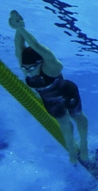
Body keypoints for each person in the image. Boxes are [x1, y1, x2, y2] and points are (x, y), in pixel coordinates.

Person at [8, 10, 89, 163]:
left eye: (31, 68)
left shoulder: (52, 67)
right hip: (50, 100)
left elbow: (36, 46)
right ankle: (71, 149)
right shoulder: (27, 67)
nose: (27, 72)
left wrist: (23, 29)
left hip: (67, 93)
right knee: (64, 123)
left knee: (79, 119)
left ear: (40, 63)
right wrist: (18, 27)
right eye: (24, 68)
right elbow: (19, 47)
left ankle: (84, 146)